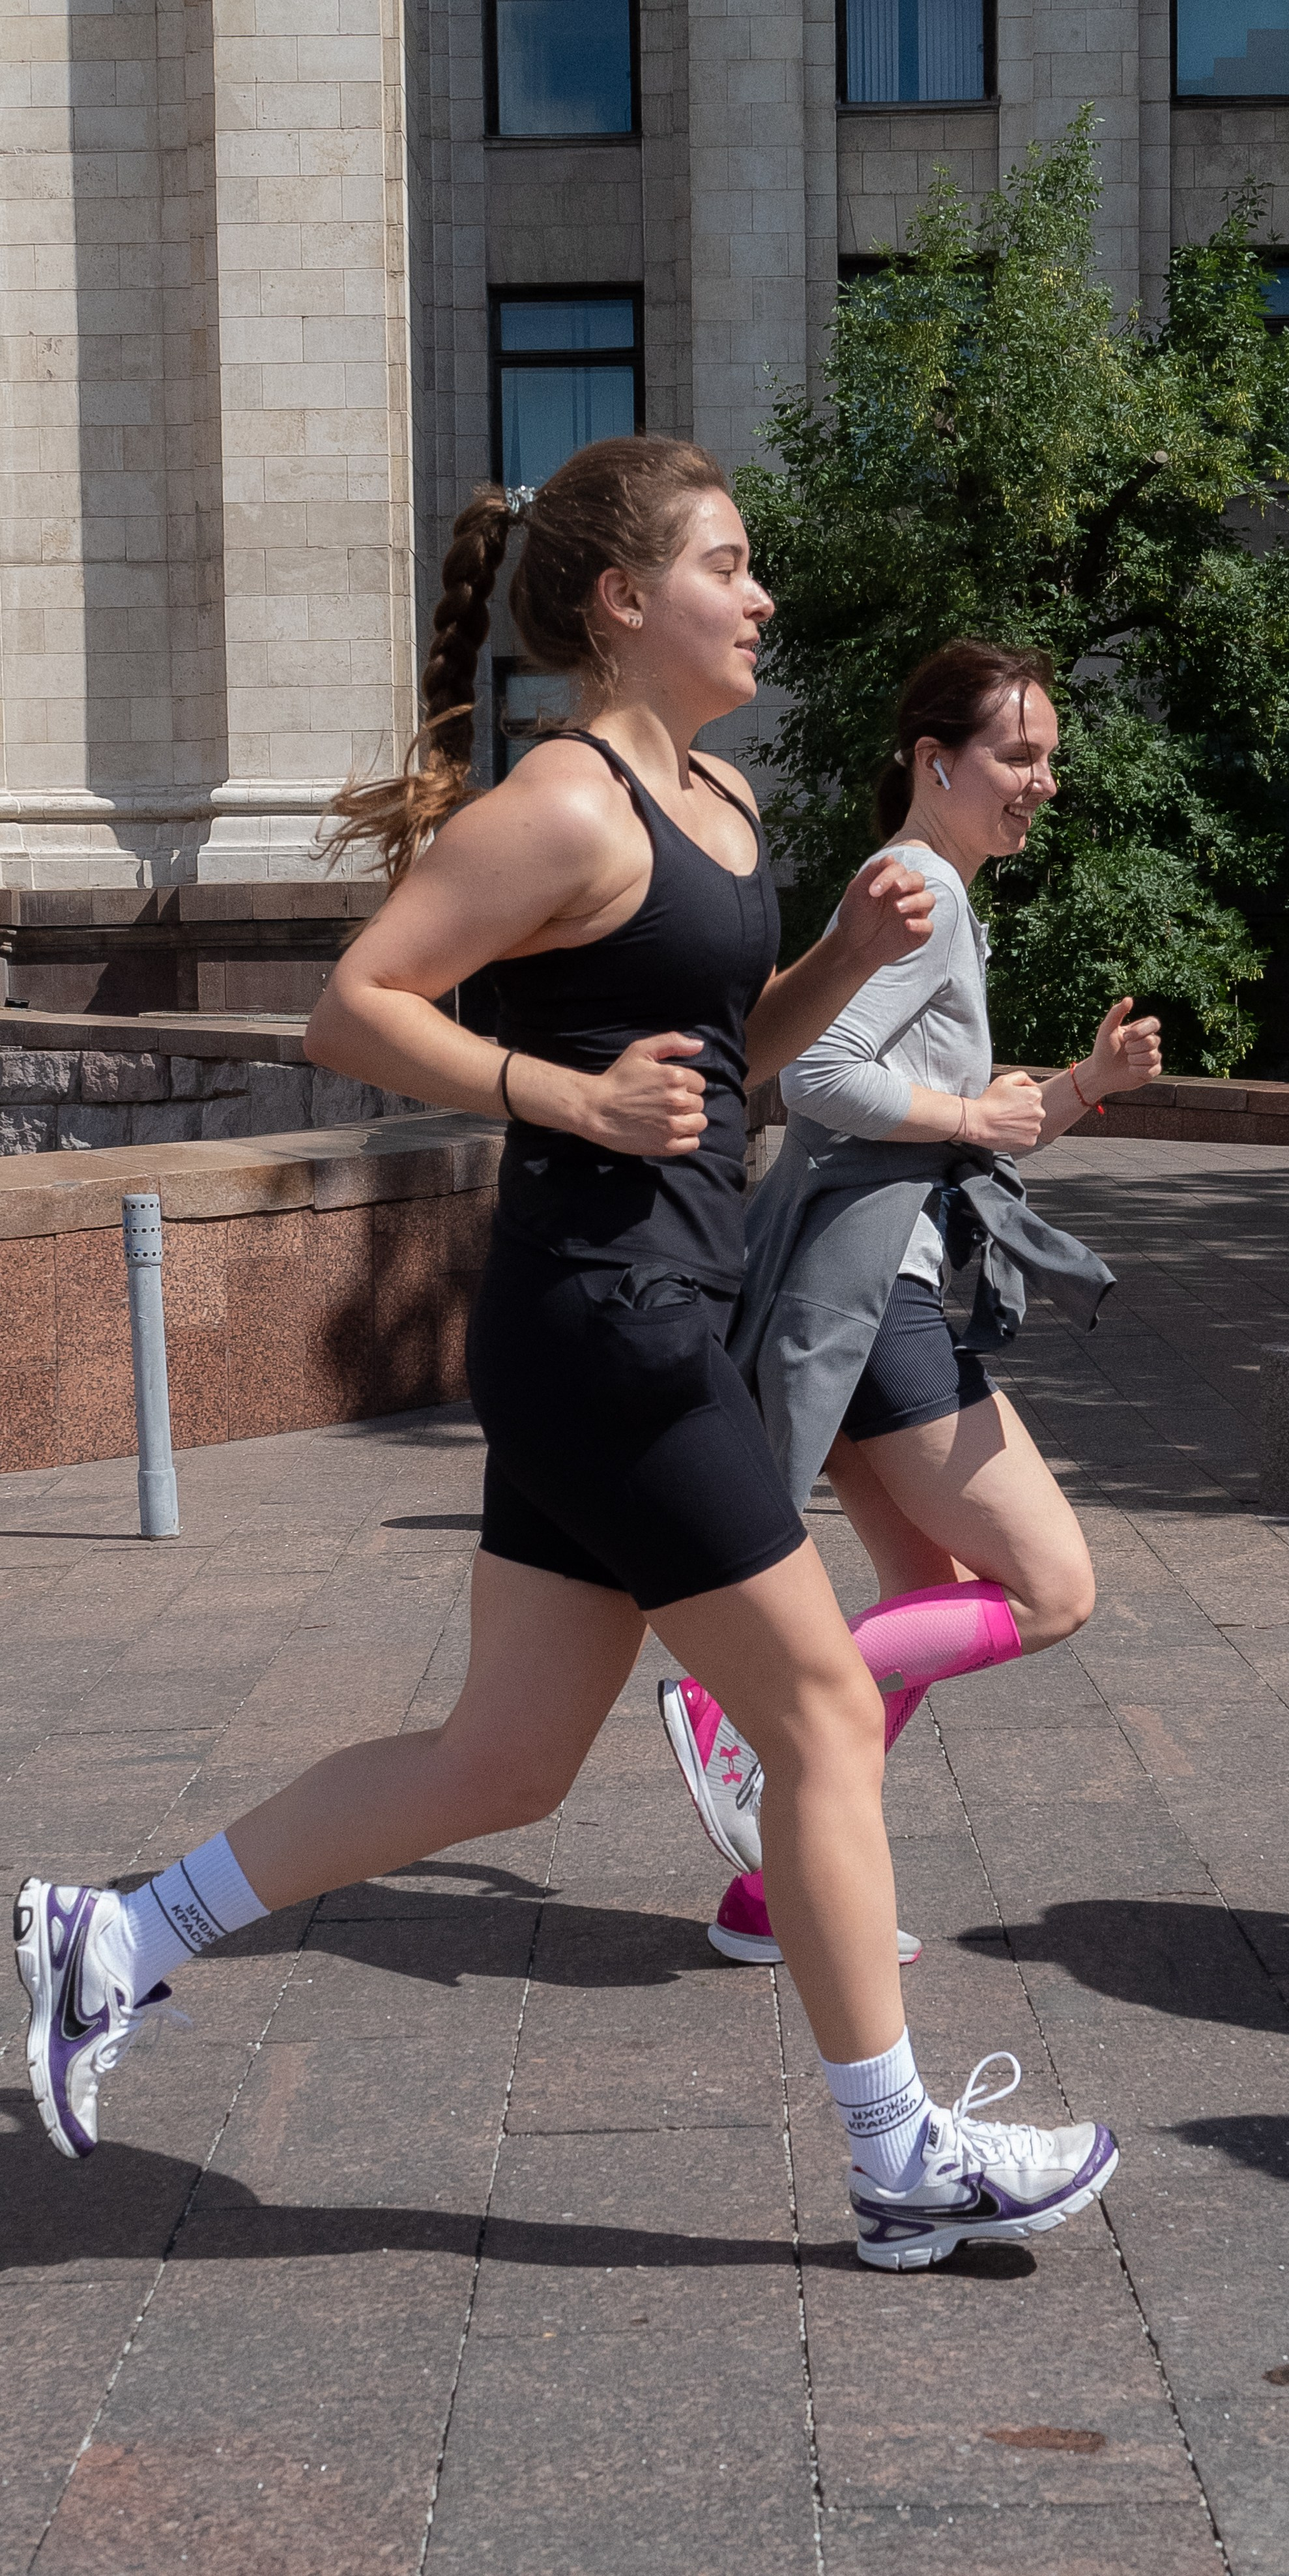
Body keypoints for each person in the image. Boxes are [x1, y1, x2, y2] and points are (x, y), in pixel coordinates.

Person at [14, 448, 1118, 2270]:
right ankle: (899, 2148)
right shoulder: (570, 803)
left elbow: (730, 1063)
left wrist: (838, 955)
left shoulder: (726, 800)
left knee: (502, 1763)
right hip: (606, 1325)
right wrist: (562, 1092)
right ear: (623, 601)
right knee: (825, 1716)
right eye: (728, 564)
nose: (761, 597)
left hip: (650, 1307)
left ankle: (120, 1937)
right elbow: (352, 1004)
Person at [657, 639, 1163, 1960]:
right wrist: (968, 1107)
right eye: (1018, 755)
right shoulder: (922, 883)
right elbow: (816, 1071)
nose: (1040, 780)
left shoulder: (936, 885)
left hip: (867, 1274)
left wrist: (1082, 1087)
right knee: (1052, 1588)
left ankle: (775, 1892)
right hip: (876, 1292)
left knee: (924, 1583)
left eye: (1049, 757)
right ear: (938, 763)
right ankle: (736, 1717)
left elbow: (955, 1126)